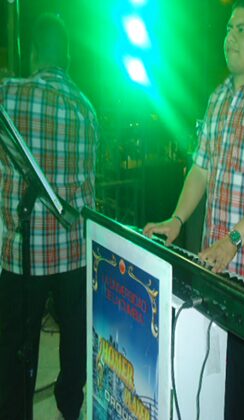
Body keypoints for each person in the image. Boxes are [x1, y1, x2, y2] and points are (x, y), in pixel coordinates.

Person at [144, 1, 244, 418]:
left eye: (243, 29)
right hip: (213, 269)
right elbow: (201, 169)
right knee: (213, 389)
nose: (230, 36)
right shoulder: (217, 99)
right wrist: (177, 220)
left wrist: (232, 240)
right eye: (229, 28)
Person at [0, 14, 98, 420]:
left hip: (25, 252)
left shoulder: (10, 95)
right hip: (74, 249)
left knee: (15, 346)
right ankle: (69, 406)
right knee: (74, 336)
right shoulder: (87, 109)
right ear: (68, 59)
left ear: (34, 54)